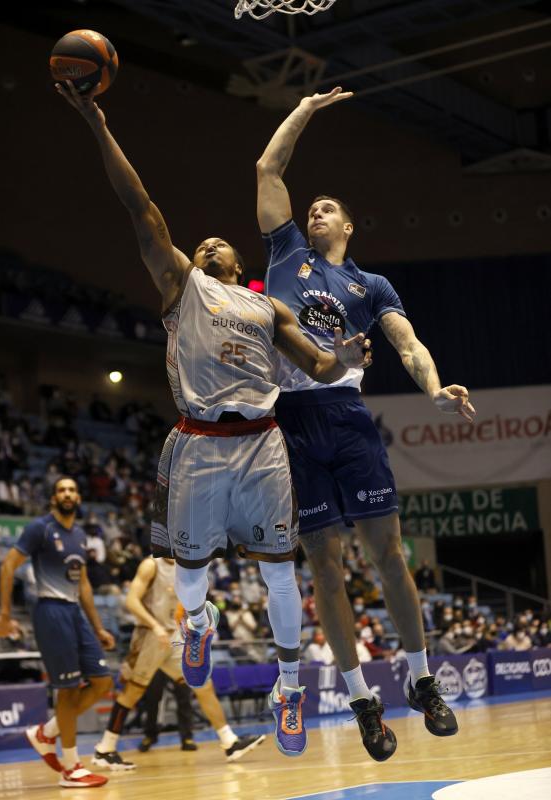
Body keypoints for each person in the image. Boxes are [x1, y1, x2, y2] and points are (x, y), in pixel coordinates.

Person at [57, 79, 370, 758]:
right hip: (198, 442)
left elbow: (316, 368)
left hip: (260, 442)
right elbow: (137, 205)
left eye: (219, 244)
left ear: (240, 264)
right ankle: (196, 623)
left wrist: (338, 354)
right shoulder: (181, 285)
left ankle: (289, 689)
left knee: (280, 572)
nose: (207, 245)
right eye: (199, 243)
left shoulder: (265, 308)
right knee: (189, 576)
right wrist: (95, 122)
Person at [256, 85, 477, 761]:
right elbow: (268, 170)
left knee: (388, 557)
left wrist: (434, 388)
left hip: (347, 417)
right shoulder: (282, 253)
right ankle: (361, 700)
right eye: (311, 207)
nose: (313, 211)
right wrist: (304, 109)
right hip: (290, 418)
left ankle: (419, 680)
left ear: (345, 227)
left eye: (326, 209)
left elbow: (407, 345)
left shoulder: (369, 287)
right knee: (324, 566)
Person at [93, 556, 264, 768]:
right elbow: (131, 602)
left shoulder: (183, 566)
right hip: (149, 636)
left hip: (172, 636)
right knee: (132, 693)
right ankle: (105, 749)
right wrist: (155, 625)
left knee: (203, 684)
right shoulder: (150, 565)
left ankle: (230, 742)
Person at [0, 477, 114, 788]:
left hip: (75, 611)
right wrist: (5, 615)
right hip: (50, 611)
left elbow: (85, 584)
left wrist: (99, 627)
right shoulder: (40, 528)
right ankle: (71, 766)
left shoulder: (79, 535)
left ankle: (47, 732)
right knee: (70, 689)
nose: (67, 493)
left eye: (72, 489)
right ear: (53, 498)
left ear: (78, 498)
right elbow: (8, 566)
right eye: (61, 489)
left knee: (103, 682)